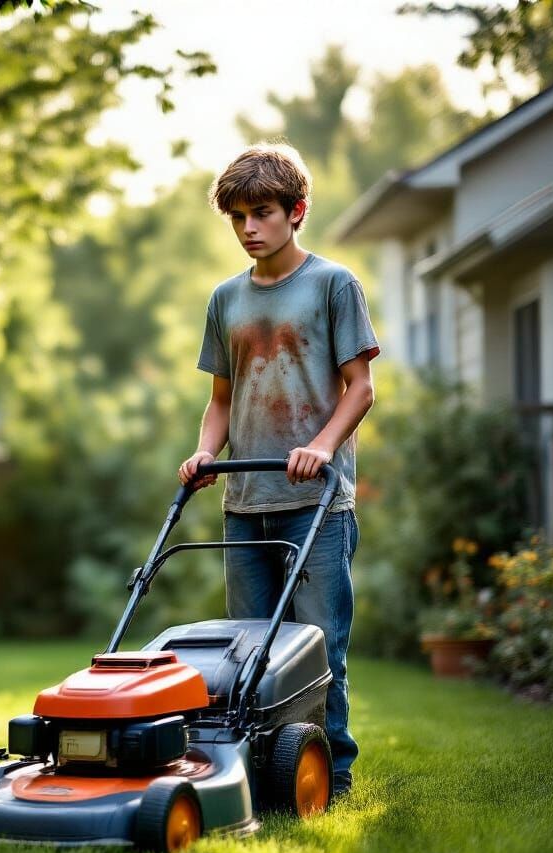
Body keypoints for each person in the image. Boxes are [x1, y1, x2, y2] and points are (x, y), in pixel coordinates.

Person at [177, 143, 378, 798]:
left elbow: (361, 388)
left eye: (261, 213)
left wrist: (320, 446)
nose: (248, 228)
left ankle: (333, 774)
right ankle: (260, 773)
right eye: (237, 217)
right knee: (249, 651)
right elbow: (221, 401)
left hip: (316, 504)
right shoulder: (225, 298)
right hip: (245, 502)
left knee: (319, 648)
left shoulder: (333, 285)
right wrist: (205, 453)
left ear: (297, 211)